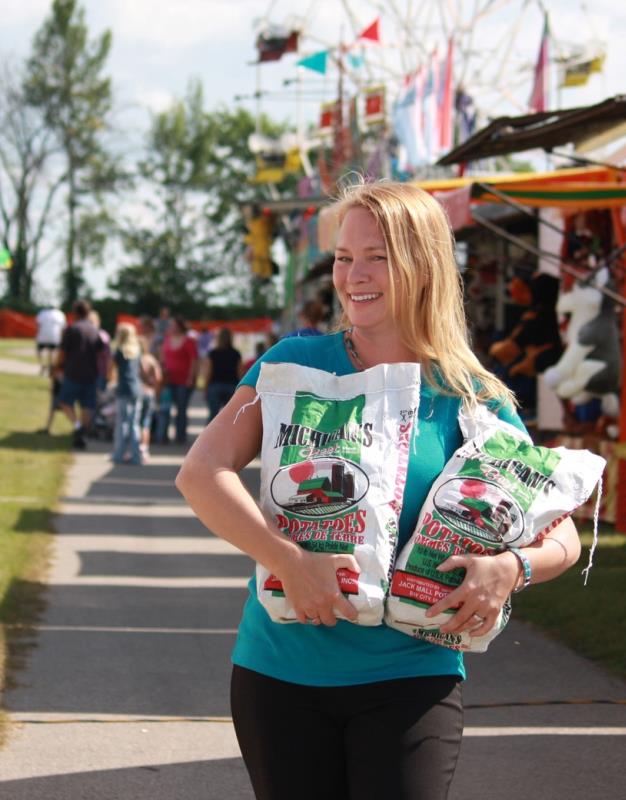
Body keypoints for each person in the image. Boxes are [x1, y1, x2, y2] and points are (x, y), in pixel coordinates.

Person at [176, 182, 582, 800]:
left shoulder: (474, 396)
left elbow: (563, 533)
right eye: (343, 257)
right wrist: (288, 560)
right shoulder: (292, 364)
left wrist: (513, 566)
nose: (353, 276)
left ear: (423, 266)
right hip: (280, 674)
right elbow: (201, 474)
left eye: (377, 257)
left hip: (413, 679)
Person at [56, 299, 103, 450]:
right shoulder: (94, 330)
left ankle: (77, 427)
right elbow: (100, 351)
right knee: (87, 405)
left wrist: (57, 367)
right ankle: (82, 432)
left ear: (75, 312)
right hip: (90, 373)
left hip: (73, 372)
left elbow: (62, 352)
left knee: (64, 401)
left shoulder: (72, 329)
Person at [156, 316, 198, 445]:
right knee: (165, 409)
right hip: (168, 380)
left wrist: (191, 377)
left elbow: (194, 360)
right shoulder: (167, 339)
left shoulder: (189, 341)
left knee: (181, 409)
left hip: (184, 381)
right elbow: (163, 357)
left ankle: (180, 436)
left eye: (173, 325)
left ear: (180, 326)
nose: (170, 327)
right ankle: (163, 436)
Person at [109, 322, 144, 465]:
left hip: (123, 388)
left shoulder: (118, 351)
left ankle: (119, 454)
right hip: (136, 388)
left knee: (121, 423)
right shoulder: (137, 351)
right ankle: (136, 455)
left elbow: (110, 370)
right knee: (134, 423)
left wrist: (110, 381)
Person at [203, 327, 242, 422]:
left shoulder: (213, 353)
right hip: (231, 385)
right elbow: (240, 373)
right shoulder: (236, 354)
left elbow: (209, 371)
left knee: (213, 414)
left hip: (215, 385)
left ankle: (211, 436)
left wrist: (205, 387)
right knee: (230, 416)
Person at [138, 335, 162, 461]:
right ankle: (144, 448)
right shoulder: (151, 359)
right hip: (150, 392)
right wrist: (156, 392)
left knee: (136, 422)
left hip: (139, 392)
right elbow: (158, 377)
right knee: (146, 423)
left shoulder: (137, 359)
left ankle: (136, 448)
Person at [35, 305, 66, 374]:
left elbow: (38, 325)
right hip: (55, 337)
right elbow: (63, 327)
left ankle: (43, 365)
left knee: (40, 350)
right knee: (52, 351)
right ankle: (51, 366)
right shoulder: (60, 314)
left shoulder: (42, 313)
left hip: (42, 336)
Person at [88, 310, 111, 395]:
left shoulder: (103, 336)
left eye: (91, 322)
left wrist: (109, 375)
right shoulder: (84, 335)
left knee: (97, 399)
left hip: (99, 373)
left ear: (97, 322)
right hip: (87, 373)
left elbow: (108, 357)